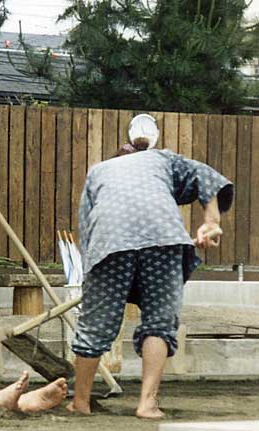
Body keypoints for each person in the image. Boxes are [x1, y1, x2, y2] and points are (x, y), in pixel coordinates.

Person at [69, 114, 233, 419]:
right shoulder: (162, 160)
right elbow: (206, 177)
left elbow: (87, 224)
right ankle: (147, 403)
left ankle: (80, 402)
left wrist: (92, 272)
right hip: (163, 236)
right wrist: (211, 222)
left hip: (110, 238)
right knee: (159, 321)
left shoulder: (99, 170)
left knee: (95, 324)